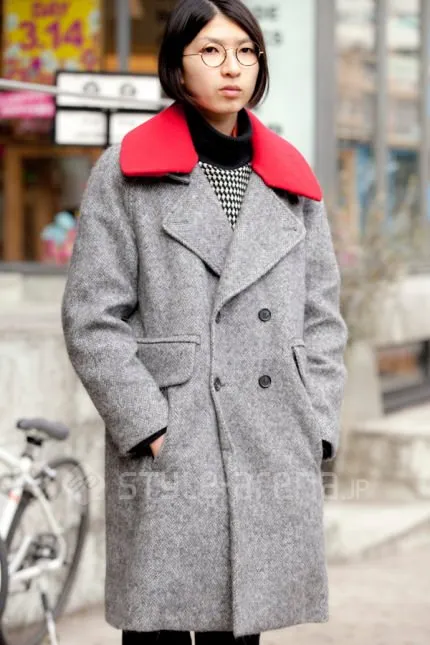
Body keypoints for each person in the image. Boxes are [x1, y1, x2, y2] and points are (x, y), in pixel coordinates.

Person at [61, 0, 348, 643]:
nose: (232, 67)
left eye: (246, 52)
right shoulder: (128, 171)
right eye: (212, 51)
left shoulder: (290, 178)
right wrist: (147, 425)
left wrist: (317, 422)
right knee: (160, 624)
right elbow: (92, 317)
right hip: (175, 433)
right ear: (177, 65)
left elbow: (322, 317)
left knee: (242, 629)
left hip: (270, 434)